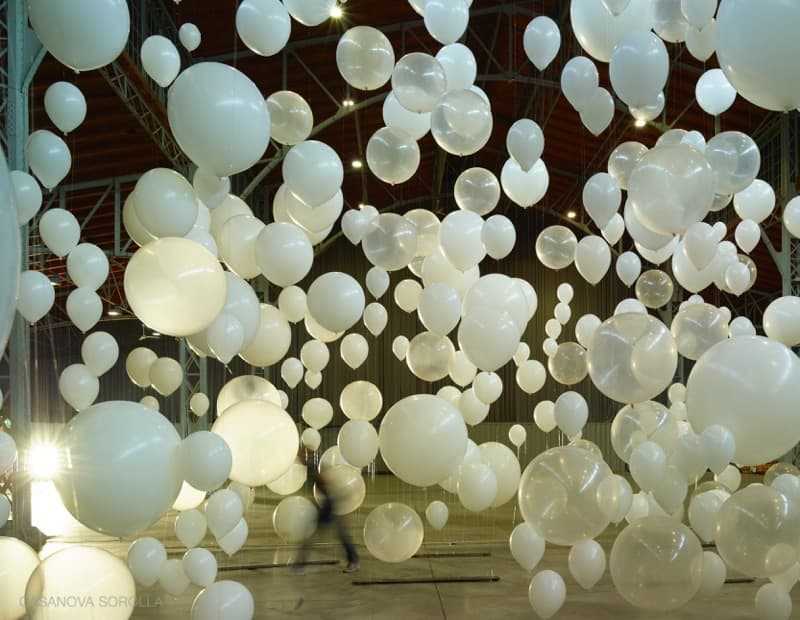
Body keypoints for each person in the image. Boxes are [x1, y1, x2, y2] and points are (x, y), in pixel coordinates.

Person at [295, 449, 360, 573]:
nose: (298, 458)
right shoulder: (311, 467)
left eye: (300, 455)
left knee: (338, 534)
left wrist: (337, 501)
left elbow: (326, 484)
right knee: (339, 534)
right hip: (325, 504)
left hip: (329, 505)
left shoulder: (314, 467)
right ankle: (354, 560)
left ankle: (354, 561)